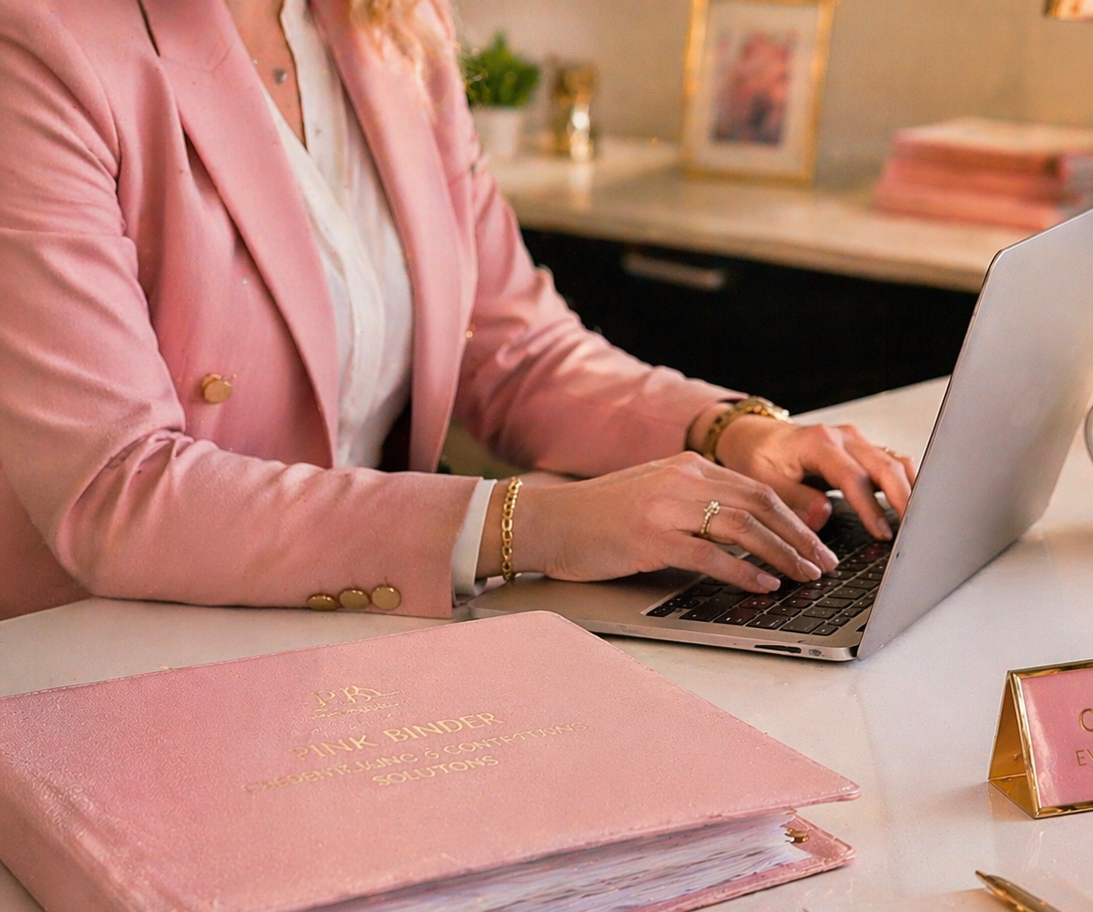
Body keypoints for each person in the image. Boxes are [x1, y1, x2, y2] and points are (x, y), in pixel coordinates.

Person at [0, 0, 915, 623]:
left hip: (342, 644)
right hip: (108, 662)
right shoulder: (41, 44)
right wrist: (531, 525)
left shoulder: (387, 20)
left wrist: (725, 432)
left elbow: (510, 345)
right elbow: (115, 490)